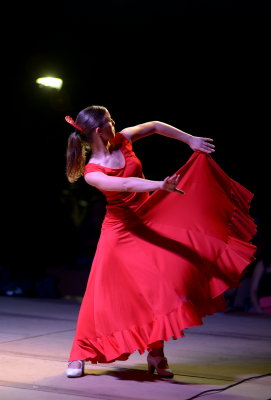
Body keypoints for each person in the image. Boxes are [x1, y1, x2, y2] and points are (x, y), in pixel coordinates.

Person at [64, 105, 257, 378]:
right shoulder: (92, 172)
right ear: (99, 130)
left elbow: (154, 125)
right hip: (119, 233)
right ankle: (80, 353)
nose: (114, 122)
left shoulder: (123, 139)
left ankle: (156, 354)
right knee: (103, 297)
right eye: (109, 120)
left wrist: (189, 139)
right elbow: (126, 185)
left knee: (159, 290)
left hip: (149, 220)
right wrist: (159, 185)